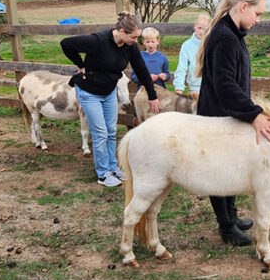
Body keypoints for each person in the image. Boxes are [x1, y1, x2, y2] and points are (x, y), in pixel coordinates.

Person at [196, 0, 270, 245]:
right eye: (258, 14)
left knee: (230, 171)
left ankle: (231, 217)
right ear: (243, 7)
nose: (258, 20)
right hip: (217, 117)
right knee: (219, 173)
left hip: (228, 115)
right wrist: (254, 114)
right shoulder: (224, 37)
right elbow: (225, 85)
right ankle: (226, 227)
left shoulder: (232, 33)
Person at [61, 13, 160, 187]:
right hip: (89, 92)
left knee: (111, 131)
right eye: (133, 37)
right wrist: (80, 64)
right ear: (122, 31)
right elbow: (66, 43)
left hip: (108, 93)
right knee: (100, 133)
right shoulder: (97, 41)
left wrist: (152, 96)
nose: (136, 41)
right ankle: (103, 173)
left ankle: (112, 167)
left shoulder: (129, 47)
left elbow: (141, 69)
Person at [174, 14, 210, 98]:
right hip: (194, 88)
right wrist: (179, 87)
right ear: (194, 27)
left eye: (204, 29)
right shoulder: (186, 46)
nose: (201, 31)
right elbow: (181, 68)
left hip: (210, 87)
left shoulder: (213, 44)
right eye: (199, 28)